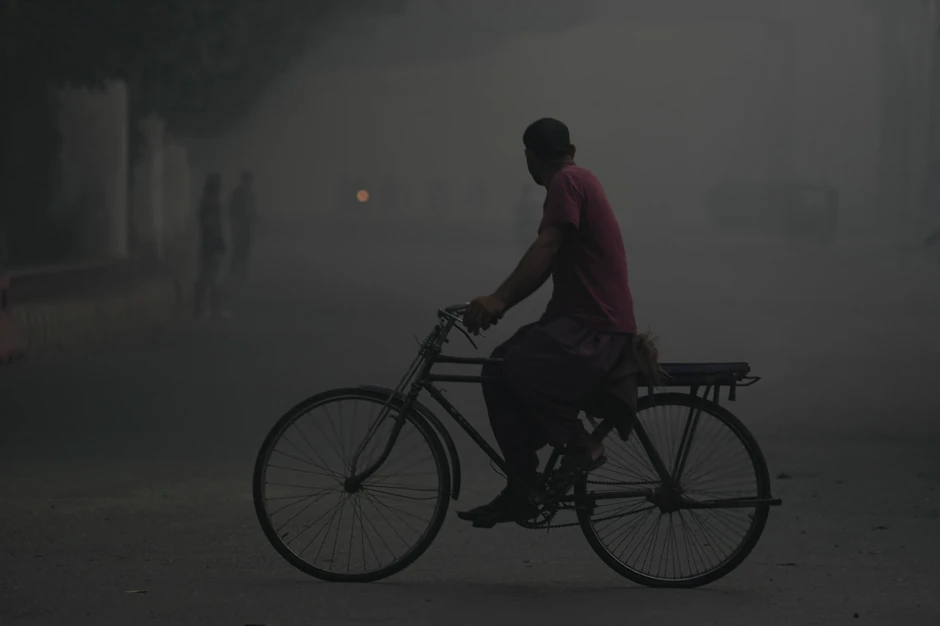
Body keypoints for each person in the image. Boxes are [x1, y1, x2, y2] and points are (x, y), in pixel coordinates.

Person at [457, 118, 638, 528]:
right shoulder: (578, 178)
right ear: (571, 148)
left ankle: (583, 443)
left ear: (530, 156)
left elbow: (547, 245)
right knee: (499, 372)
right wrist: (500, 302)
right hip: (581, 322)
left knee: (519, 365)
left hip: (595, 326)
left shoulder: (566, 183)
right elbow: (547, 261)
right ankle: (521, 487)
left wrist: (499, 298)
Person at [194, 173, 226, 318]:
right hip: (211, 243)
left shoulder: (208, 201)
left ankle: (210, 308)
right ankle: (206, 308)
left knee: (211, 276)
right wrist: (218, 241)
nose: (220, 187)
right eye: (218, 184)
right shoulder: (211, 203)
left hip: (209, 242)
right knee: (210, 276)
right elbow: (211, 225)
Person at [228, 171, 258, 284]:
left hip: (246, 228)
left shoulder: (250, 194)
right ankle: (234, 275)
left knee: (244, 252)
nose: (250, 182)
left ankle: (241, 275)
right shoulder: (237, 194)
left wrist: (258, 223)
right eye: (248, 180)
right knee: (238, 252)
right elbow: (232, 212)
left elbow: (254, 211)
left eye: (250, 180)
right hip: (240, 228)